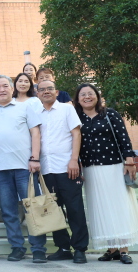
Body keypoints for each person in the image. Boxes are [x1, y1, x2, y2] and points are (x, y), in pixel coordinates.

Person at [0, 75, 47, 263]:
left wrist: (35, 158)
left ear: (12, 89)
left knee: (33, 209)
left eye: (5, 86)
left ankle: (38, 249)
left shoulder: (25, 107)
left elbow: (35, 133)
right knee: (8, 211)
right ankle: (17, 247)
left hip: (25, 168)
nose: (1, 89)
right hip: (1, 170)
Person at [73, 83, 138, 264]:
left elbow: (123, 137)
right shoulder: (76, 117)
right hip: (90, 169)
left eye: (90, 93)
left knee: (119, 206)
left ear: (97, 96)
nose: (87, 97)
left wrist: (129, 161)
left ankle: (124, 250)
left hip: (114, 167)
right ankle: (112, 249)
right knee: (101, 208)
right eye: (83, 94)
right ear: (77, 99)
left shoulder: (110, 114)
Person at [35, 79, 88, 264]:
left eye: (50, 89)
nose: (46, 92)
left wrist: (74, 159)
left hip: (67, 168)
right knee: (54, 211)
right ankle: (63, 248)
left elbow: (76, 134)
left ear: (56, 92)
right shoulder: (36, 113)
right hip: (46, 169)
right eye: (42, 89)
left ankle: (80, 248)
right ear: (37, 94)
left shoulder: (67, 109)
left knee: (75, 209)